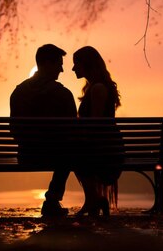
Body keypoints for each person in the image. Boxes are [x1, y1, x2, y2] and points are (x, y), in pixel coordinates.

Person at [10, 44, 77, 217]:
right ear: (47, 64)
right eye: (58, 64)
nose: (62, 69)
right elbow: (73, 131)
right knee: (72, 151)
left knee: (68, 151)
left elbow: (14, 131)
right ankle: (53, 200)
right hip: (58, 157)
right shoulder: (63, 94)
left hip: (26, 156)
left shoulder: (18, 92)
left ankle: (53, 201)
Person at [71, 46, 122, 216]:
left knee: (71, 152)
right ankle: (93, 200)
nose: (73, 68)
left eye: (76, 64)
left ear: (86, 64)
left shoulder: (98, 89)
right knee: (73, 150)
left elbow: (96, 124)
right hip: (103, 145)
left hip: (104, 149)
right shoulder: (95, 87)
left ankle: (93, 200)